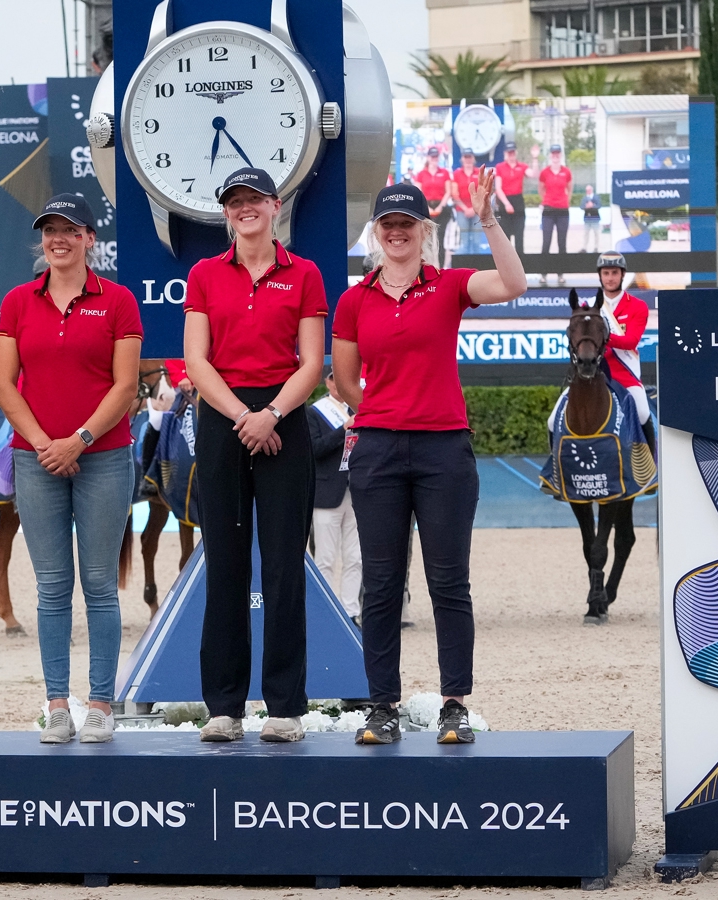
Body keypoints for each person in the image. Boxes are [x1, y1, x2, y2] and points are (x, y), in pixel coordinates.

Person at [332, 178, 527, 746]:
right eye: (387, 224)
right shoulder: (354, 299)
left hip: (444, 448)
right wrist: (388, 413)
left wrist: (488, 219)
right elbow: (344, 381)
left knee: (448, 581)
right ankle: (382, 705)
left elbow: (513, 283)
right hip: (378, 449)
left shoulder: (449, 286)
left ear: (424, 231)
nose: (397, 232)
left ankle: (454, 704)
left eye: (407, 224)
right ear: (376, 232)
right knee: (382, 583)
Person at [0, 193, 143, 744]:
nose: (58, 238)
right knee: (53, 586)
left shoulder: (119, 301)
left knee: (101, 584)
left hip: (103, 458)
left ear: (89, 240)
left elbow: (125, 387)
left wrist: (77, 440)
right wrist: (42, 443)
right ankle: (58, 703)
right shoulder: (16, 302)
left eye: (70, 230)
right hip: (35, 461)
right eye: (49, 230)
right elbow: (4, 384)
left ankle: (101, 704)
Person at [184, 167, 327, 743]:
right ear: (226, 213)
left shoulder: (305, 274)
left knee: (284, 567)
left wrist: (272, 414)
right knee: (225, 565)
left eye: (253, 200)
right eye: (234, 202)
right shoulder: (203, 274)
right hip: (225, 420)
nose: (245, 209)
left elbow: (311, 363)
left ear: (274, 205)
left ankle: (285, 708)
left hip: (284, 420)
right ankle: (224, 707)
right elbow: (197, 360)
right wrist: (245, 417)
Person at [309, 365, 361, 623]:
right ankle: (326, 611)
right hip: (327, 493)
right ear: (328, 383)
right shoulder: (316, 412)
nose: (338, 384)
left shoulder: (361, 410)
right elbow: (315, 449)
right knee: (325, 558)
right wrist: (343, 430)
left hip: (357, 491)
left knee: (356, 557)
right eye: (334, 380)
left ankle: (351, 611)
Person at [594, 251, 655, 452]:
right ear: (600, 275)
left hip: (625, 376)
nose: (610, 278)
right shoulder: (589, 307)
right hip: (594, 375)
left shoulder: (638, 306)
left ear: (622, 275)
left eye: (614, 273)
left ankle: (652, 462)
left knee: (644, 413)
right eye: (606, 273)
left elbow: (630, 341)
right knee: (553, 421)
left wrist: (602, 336)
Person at [536, 144, 573, 286]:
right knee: (546, 242)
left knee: (562, 242)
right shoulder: (545, 172)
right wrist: (547, 200)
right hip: (549, 210)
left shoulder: (566, 172)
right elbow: (540, 189)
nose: (556, 156)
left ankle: (561, 273)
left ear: (561, 155)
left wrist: (565, 201)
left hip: (563, 210)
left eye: (558, 154)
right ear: (550, 155)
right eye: (553, 153)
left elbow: (569, 188)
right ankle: (543, 274)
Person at [413, 147, 452, 248]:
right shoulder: (421, 174)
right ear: (428, 157)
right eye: (432, 156)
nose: (434, 159)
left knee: (440, 237)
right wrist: (427, 207)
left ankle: (441, 263)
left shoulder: (444, 173)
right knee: (427, 239)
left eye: (436, 156)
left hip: (441, 205)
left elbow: (448, 191)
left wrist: (441, 206)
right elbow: (418, 192)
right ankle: (427, 263)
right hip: (427, 205)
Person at [494, 142, 530, 252]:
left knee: (519, 237)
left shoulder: (522, 166)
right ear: (506, 153)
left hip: (518, 200)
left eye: (513, 152)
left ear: (516, 152)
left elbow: (533, 174)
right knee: (506, 237)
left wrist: (535, 158)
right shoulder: (500, 167)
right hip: (505, 201)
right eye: (509, 153)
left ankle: (521, 265)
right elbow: (498, 188)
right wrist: (506, 204)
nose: (511, 155)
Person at [452, 150, 483, 255]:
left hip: (477, 210)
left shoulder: (479, 173)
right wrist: (466, 209)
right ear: (462, 159)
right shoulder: (457, 174)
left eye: (470, 157)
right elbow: (455, 194)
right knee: (464, 242)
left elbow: (482, 192)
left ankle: (477, 268)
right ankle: (465, 269)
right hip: (462, 210)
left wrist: (474, 209)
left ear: (473, 158)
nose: (468, 160)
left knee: (476, 241)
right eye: (466, 157)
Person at [581, 185, 602, 254]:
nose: (588, 191)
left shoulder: (596, 197)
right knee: (585, 234)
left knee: (596, 233)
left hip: (595, 218)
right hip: (587, 218)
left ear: (591, 190)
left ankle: (596, 247)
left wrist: (593, 206)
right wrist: (586, 206)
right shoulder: (584, 198)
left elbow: (599, 205)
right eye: (587, 190)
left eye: (589, 190)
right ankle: (584, 247)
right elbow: (581, 206)